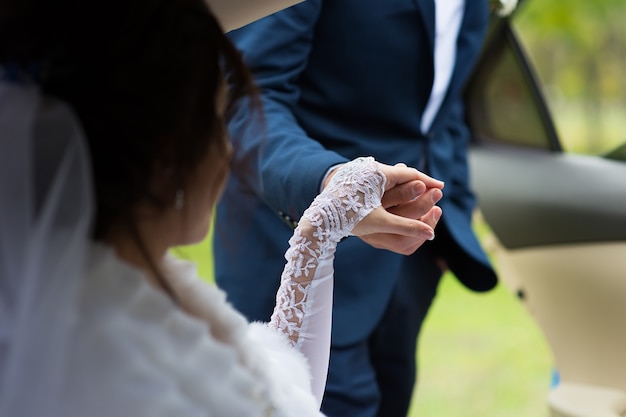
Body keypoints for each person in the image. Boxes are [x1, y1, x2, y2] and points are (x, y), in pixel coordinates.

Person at [0, 0, 444, 416]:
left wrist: (319, 234)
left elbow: (278, 387)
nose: (228, 147)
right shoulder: (142, 374)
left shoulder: (61, 304)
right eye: (216, 120)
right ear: (167, 155)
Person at [214, 1, 500, 416]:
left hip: (407, 269)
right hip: (294, 258)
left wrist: (452, 208)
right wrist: (334, 189)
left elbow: (441, 107)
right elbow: (250, 97)